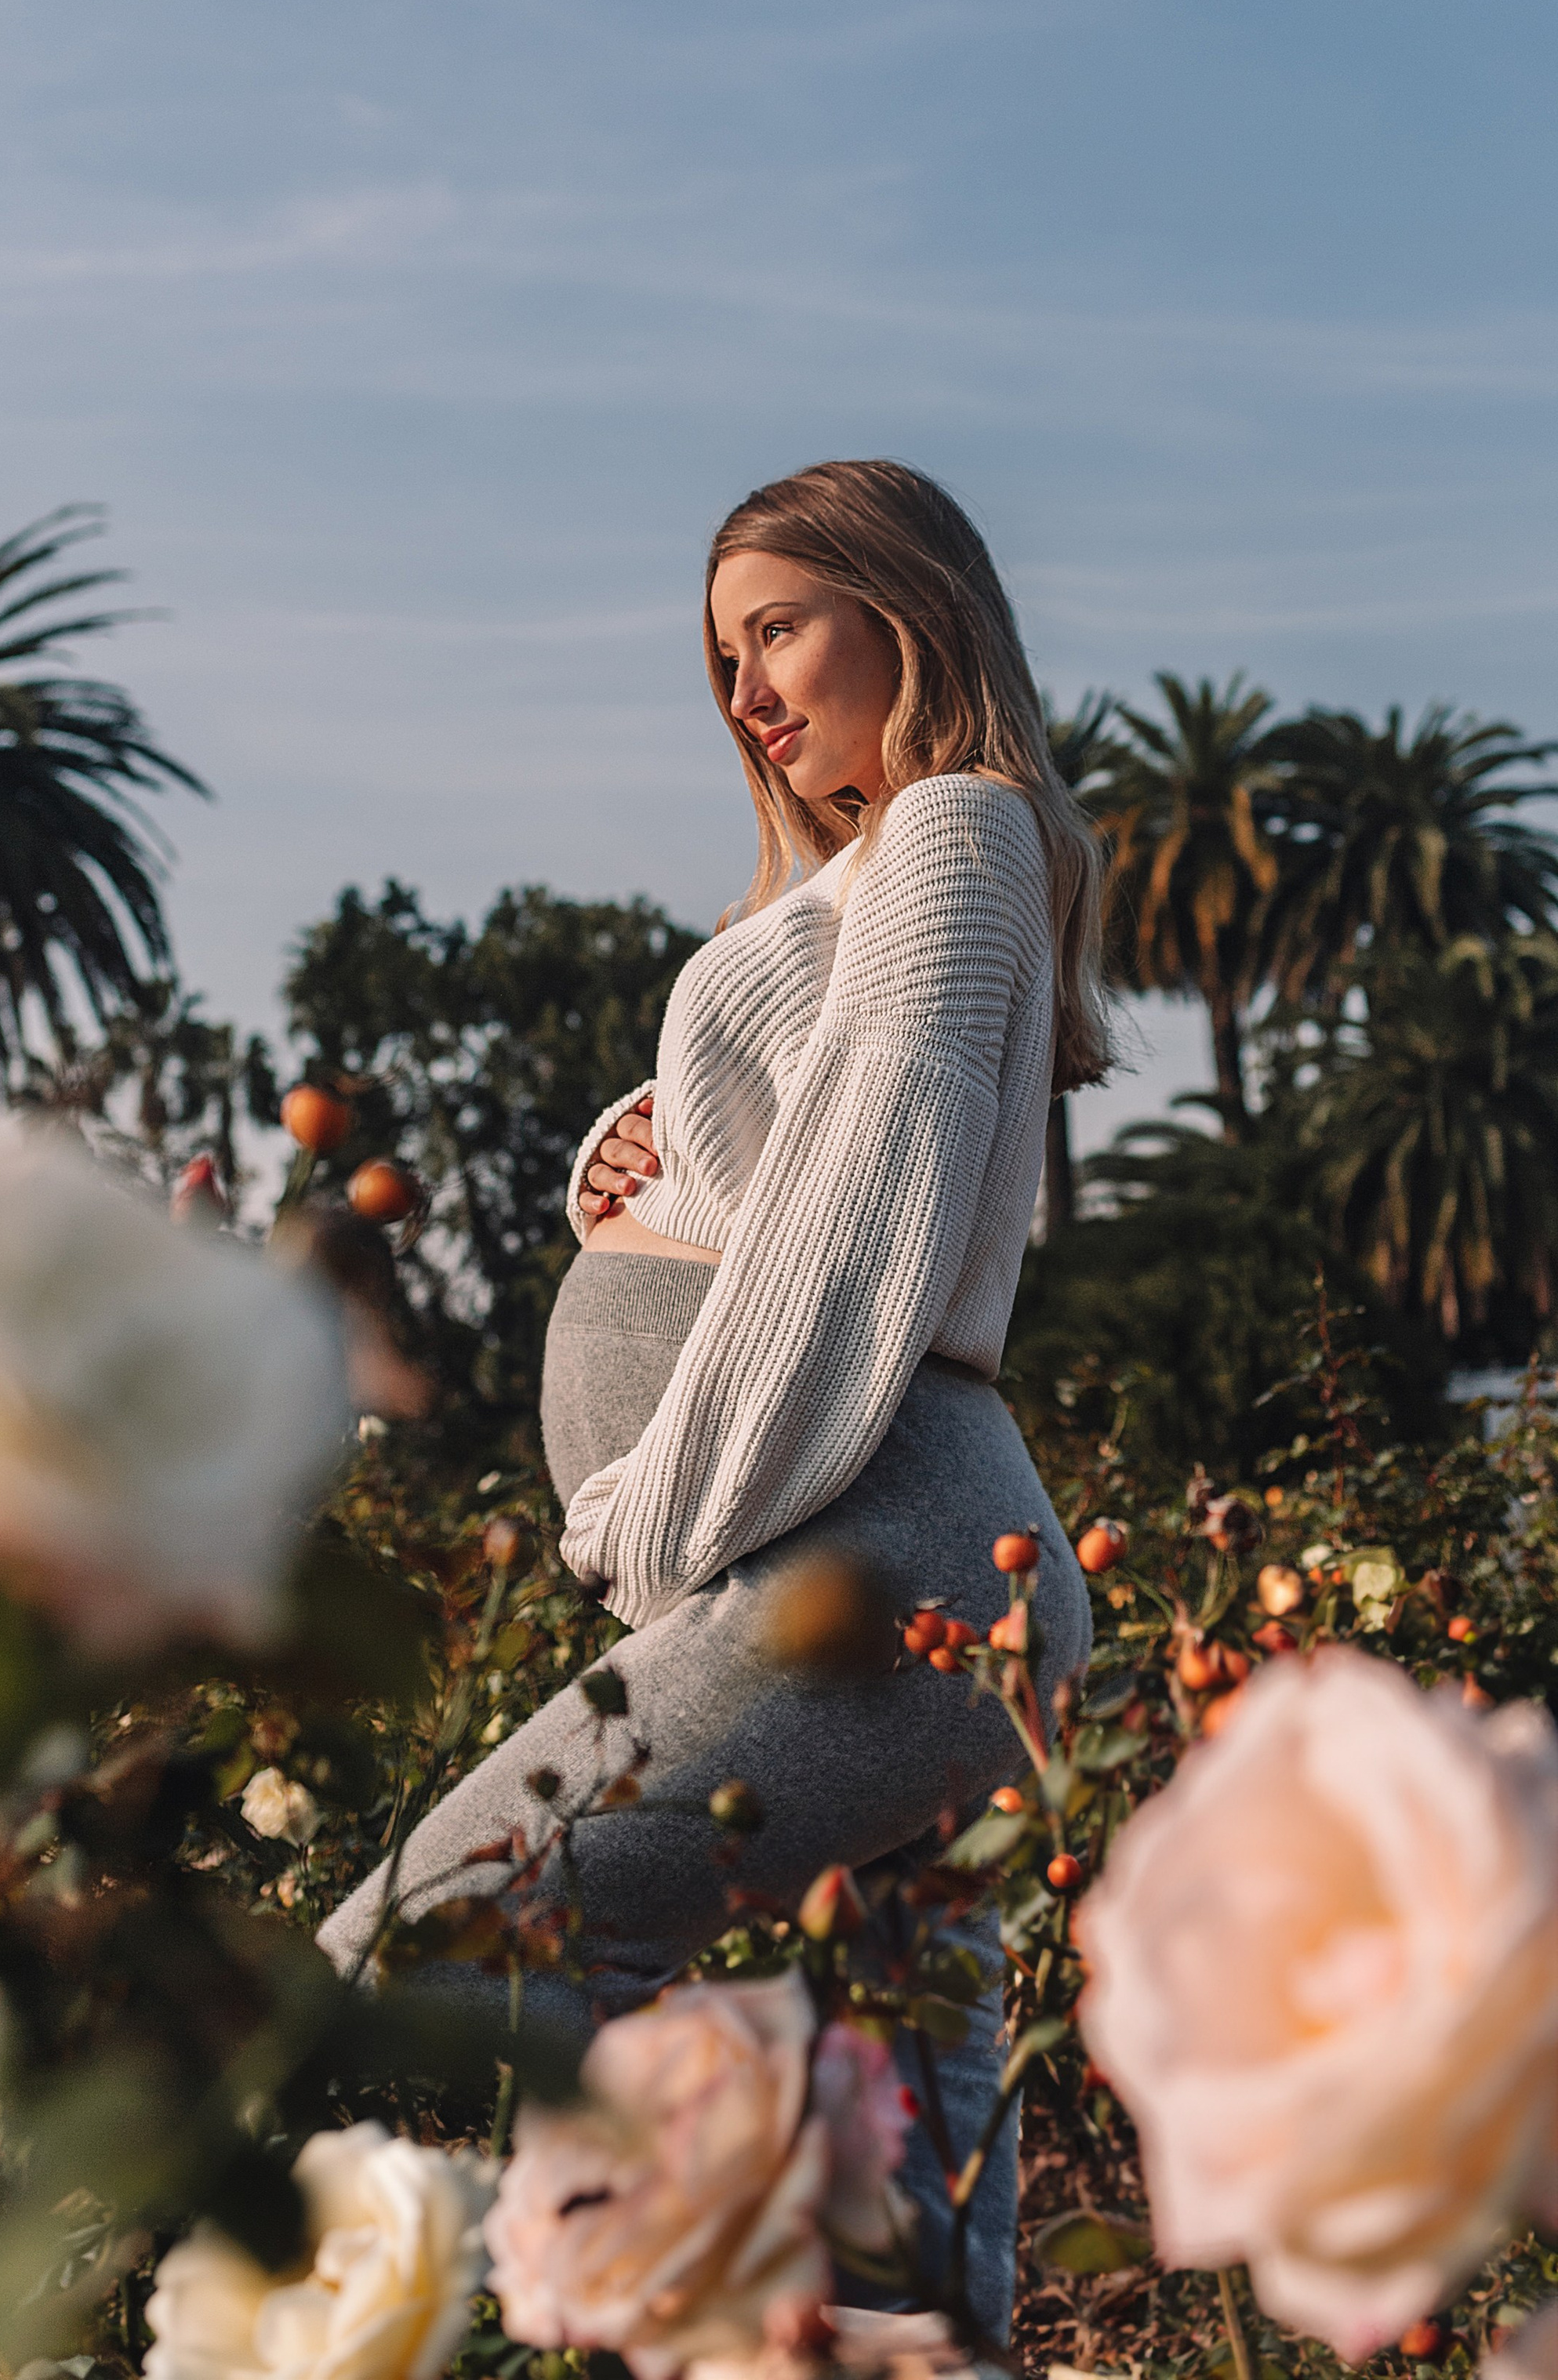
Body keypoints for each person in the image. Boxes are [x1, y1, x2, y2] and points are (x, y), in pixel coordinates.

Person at [320, 459, 1107, 2354]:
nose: (745, 689)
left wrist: (643, 1527)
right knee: (906, 2169)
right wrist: (636, 1164)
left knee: (435, 1950)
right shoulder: (878, 874)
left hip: (869, 1536)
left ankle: (571, 2330)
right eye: (719, 656)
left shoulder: (951, 833)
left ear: (904, 612)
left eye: (777, 629)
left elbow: (856, 1236)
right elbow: (794, 1159)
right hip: (891, 1546)